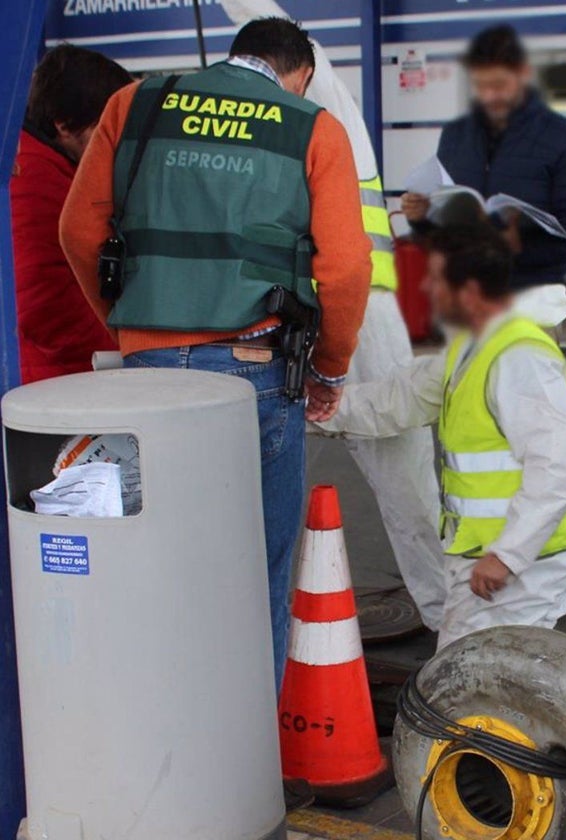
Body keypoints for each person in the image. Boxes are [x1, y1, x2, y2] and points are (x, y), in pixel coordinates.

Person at [59, 17, 371, 691]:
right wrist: (329, 368)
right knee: (254, 569)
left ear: (235, 56)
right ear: (302, 74)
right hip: (253, 373)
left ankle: (166, 742)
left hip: (143, 379)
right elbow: (346, 271)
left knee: (155, 563)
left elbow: (79, 231)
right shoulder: (312, 127)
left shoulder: (134, 102)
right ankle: (246, 764)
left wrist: (128, 326)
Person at [317, 225, 566, 753]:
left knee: (471, 681)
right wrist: (322, 408)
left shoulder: (519, 357)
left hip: (518, 561)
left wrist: (507, 557)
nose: (431, 294)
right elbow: (398, 400)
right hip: (496, 557)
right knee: (505, 664)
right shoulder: (472, 349)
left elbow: (555, 466)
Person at [218, 0, 445, 633]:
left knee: (386, 459)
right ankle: (441, 615)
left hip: (352, 304)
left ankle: (443, 615)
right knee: (375, 467)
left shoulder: (310, 90)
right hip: (332, 306)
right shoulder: (291, 99)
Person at [401, 24, 566, 328]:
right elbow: (442, 226)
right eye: (481, 85)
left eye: (499, 84)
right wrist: (422, 217)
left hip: (531, 306)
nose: (490, 95)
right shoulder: (455, 135)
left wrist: (519, 245)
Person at [12, 45, 130, 384]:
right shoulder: (32, 178)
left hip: (61, 375)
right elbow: (41, 302)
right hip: (55, 380)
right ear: (63, 125)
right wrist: (121, 349)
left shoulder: (50, 166)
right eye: (103, 127)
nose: (115, 140)